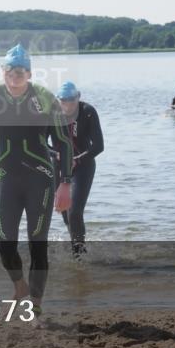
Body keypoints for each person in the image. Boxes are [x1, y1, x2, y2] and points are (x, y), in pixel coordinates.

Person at [0, 44, 72, 316]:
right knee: (4, 242)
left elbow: (64, 142)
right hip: (6, 177)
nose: (14, 75)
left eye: (20, 71)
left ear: (29, 74)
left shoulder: (45, 97)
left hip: (40, 178)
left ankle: (36, 305)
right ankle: (20, 285)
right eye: (9, 70)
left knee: (37, 242)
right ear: (2, 71)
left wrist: (65, 183)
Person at [54, 81, 103, 258]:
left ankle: (79, 255)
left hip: (83, 166)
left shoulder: (88, 112)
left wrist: (77, 159)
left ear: (78, 97)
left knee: (74, 211)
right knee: (65, 214)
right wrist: (55, 154)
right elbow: (41, 143)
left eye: (72, 101)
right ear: (58, 100)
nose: (68, 105)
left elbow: (99, 146)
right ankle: (76, 247)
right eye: (64, 101)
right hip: (58, 166)